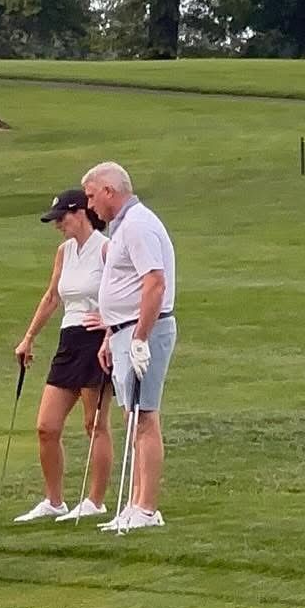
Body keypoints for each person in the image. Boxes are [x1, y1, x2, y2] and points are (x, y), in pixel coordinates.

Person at [81, 162, 176, 533]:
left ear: (108, 190)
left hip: (144, 333)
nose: (89, 205)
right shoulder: (123, 227)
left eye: (91, 196)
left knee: (145, 417)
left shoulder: (138, 224)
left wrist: (138, 338)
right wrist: (112, 335)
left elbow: (154, 283)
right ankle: (136, 503)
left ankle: (147, 507)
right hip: (123, 332)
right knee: (132, 417)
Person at [10, 187, 114, 523]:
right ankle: (54, 501)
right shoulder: (64, 251)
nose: (58, 225)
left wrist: (110, 325)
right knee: (46, 426)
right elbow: (52, 297)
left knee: (93, 424)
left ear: (80, 213)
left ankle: (95, 501)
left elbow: (124, 292)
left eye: (62, 218)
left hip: (96, 341)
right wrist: (29, 337)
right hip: (68, 341)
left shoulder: (106, 249)